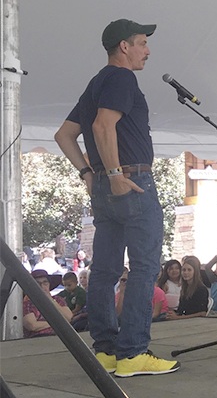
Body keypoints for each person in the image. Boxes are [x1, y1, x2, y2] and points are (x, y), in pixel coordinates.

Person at [53, 18, 178, 377]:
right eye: (141, 43)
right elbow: (101, 126)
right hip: (131, 181)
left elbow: (64, 135)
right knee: (144, 268)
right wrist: (115, 175)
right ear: (124, 46)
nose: (147, 50)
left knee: (106, 270)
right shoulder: (122, 78)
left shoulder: (96, 84)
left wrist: (88, 173)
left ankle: (106, 350)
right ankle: (133, 353)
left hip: (107, 189)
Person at [23, 270, 74, 337]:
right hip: (37, 339)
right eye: (37, 283)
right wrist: (59, 322)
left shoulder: (58, 300)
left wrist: (51, 300)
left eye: (45, 283)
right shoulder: (27, 304)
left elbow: (69, 318)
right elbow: (32, 326)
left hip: (62, 337)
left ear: (49, 284)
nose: (42, 286)